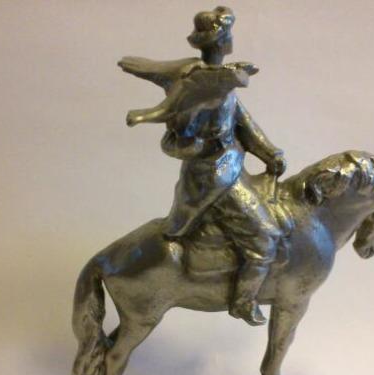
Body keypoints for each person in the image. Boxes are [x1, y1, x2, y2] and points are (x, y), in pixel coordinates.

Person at [119, 6, 286, 326]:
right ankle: (243, 300)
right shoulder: (198, 85)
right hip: (216, 179)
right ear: (221, 42)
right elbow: (176, 128)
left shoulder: (222, 85)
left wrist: (269, 153)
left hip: (232, 170)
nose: (229, 41)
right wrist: (149, 116)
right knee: (264, 239)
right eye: (226, 36)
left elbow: (244, 124)